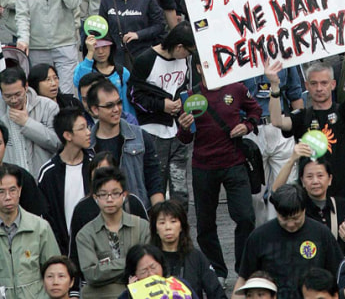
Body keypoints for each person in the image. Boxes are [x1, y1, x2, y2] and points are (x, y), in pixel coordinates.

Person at [177, 55, 262, 284]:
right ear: (197, 67)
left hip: (234, 163)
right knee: (205, 223)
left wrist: (247, 125)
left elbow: (256, 111)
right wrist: (183, 128)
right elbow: (184, 138)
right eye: (205, 64)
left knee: (245, 217)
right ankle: (218, 270)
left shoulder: (236, 88)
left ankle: (244, 268)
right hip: (203, 166)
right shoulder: (190, 96)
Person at [267, 55, 345, 209]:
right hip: (312, 198)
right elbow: (277, 121)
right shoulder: (302, 116)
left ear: (333, 84)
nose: (319, 88)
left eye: (324, 83)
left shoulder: (343, 112)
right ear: (306, 86)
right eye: (314, 84)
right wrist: (274, 86)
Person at [233, 184, 343, 299]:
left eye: (296, 218)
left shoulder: (321, 234)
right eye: (284, 218)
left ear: (304, 209)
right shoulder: (259, 237)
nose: (290, 224)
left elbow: (339, 275)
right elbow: (244, 278)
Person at [128, 23, 193, 212]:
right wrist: (161, 105)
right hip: (154, 132)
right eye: (188, 52)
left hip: (178, 131)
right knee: (157, 186)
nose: (189, 56)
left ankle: (181, 231)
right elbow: (134, 95)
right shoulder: (146, 60)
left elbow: (183, 86)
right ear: (179, 47)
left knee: (180, 189)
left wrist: (183, 103)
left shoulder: (184, 60)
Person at [75, 166, 150, 299]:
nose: (109, 199)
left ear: (124, 195)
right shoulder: (85, 234)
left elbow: (148, 266)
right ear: (95, 198)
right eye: (103, 194)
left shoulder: (142, 226)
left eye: (115, 193)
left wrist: (108, 268)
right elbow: (92, 274)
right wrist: (131, 263)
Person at [88, 79, 164, 209]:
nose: (116, 109)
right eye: (109, 105)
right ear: (95, 110)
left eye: (119, 103)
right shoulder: (87, 144)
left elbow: (154, 179)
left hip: (138, 215)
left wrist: (158, 214)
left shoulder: (140, 136)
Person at [0, 163, 60, 299]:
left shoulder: (40, 227)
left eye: (12, 190)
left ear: (20, 191)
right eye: (1, 191)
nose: (7, 197)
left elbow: (55, 271)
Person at [37, 108, 93, 253]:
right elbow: (46, 215)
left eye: (87, 127)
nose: (88, 132)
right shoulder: (48, 173)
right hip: (63, 249)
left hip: (95, 246)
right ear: (68, 135)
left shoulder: (94, 166)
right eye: (82, 128)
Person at [150, 199, 227, 299]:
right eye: (162, 223)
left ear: (182, 226)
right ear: (155, 228)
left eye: (173, 221)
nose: (168, 227)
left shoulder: (196, 257)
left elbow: (216, 292)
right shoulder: (149, 259)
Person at [0, 65, 59, 178]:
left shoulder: (48, 106)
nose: (13, 100)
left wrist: (27, 123)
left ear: (26, 87)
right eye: (7, 96)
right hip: (10, 182)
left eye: (18, 94)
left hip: (42, 179)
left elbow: (57, 143)